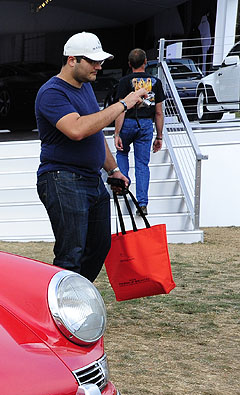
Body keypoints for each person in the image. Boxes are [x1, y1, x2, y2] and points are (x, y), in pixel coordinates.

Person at [35, 32, 149, 282]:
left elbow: (94, 132)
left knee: (99, 247)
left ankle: (74, 300)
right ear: (72, 60)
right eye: (93, 61)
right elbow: (77, 129)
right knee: (70, 256)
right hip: (62, 179)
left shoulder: (85, 87)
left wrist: (113, 170)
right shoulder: (51, 93)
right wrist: (123, 104)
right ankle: (59, 311)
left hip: (92, 181)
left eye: (101, 61)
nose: (99, 66)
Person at [113, 49, 165, 214]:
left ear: (129, 64)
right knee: (142, 164)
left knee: (122, 153)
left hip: (127, 122)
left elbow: (121, 109)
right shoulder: (155, 82)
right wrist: (159, 136)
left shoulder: (124, 81)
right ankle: (142, 204)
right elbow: (158, 112)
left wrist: (117, 133)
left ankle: (122, 190)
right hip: (145, 125)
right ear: (145, 62)